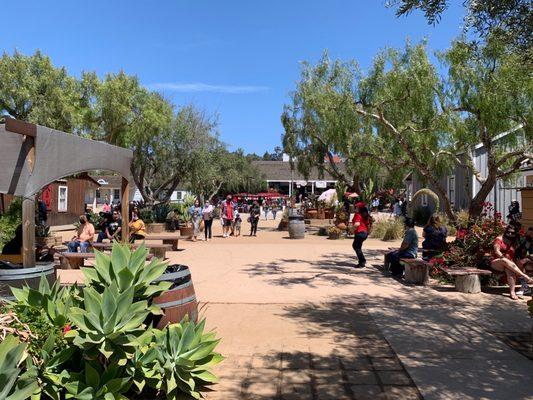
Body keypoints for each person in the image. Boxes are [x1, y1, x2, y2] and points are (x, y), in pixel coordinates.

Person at [491, 225, 533, 300]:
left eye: (512, 233)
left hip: (509, 264)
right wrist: (504, 257)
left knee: (510, 270)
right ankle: (524, 276)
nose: (510, 234)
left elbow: (520, 253)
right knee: (505, 261)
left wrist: (527, 258)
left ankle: (512, 292)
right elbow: (496, 251)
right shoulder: (499, 239)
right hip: (497, 262)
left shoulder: (514, 241)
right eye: (509, 232)